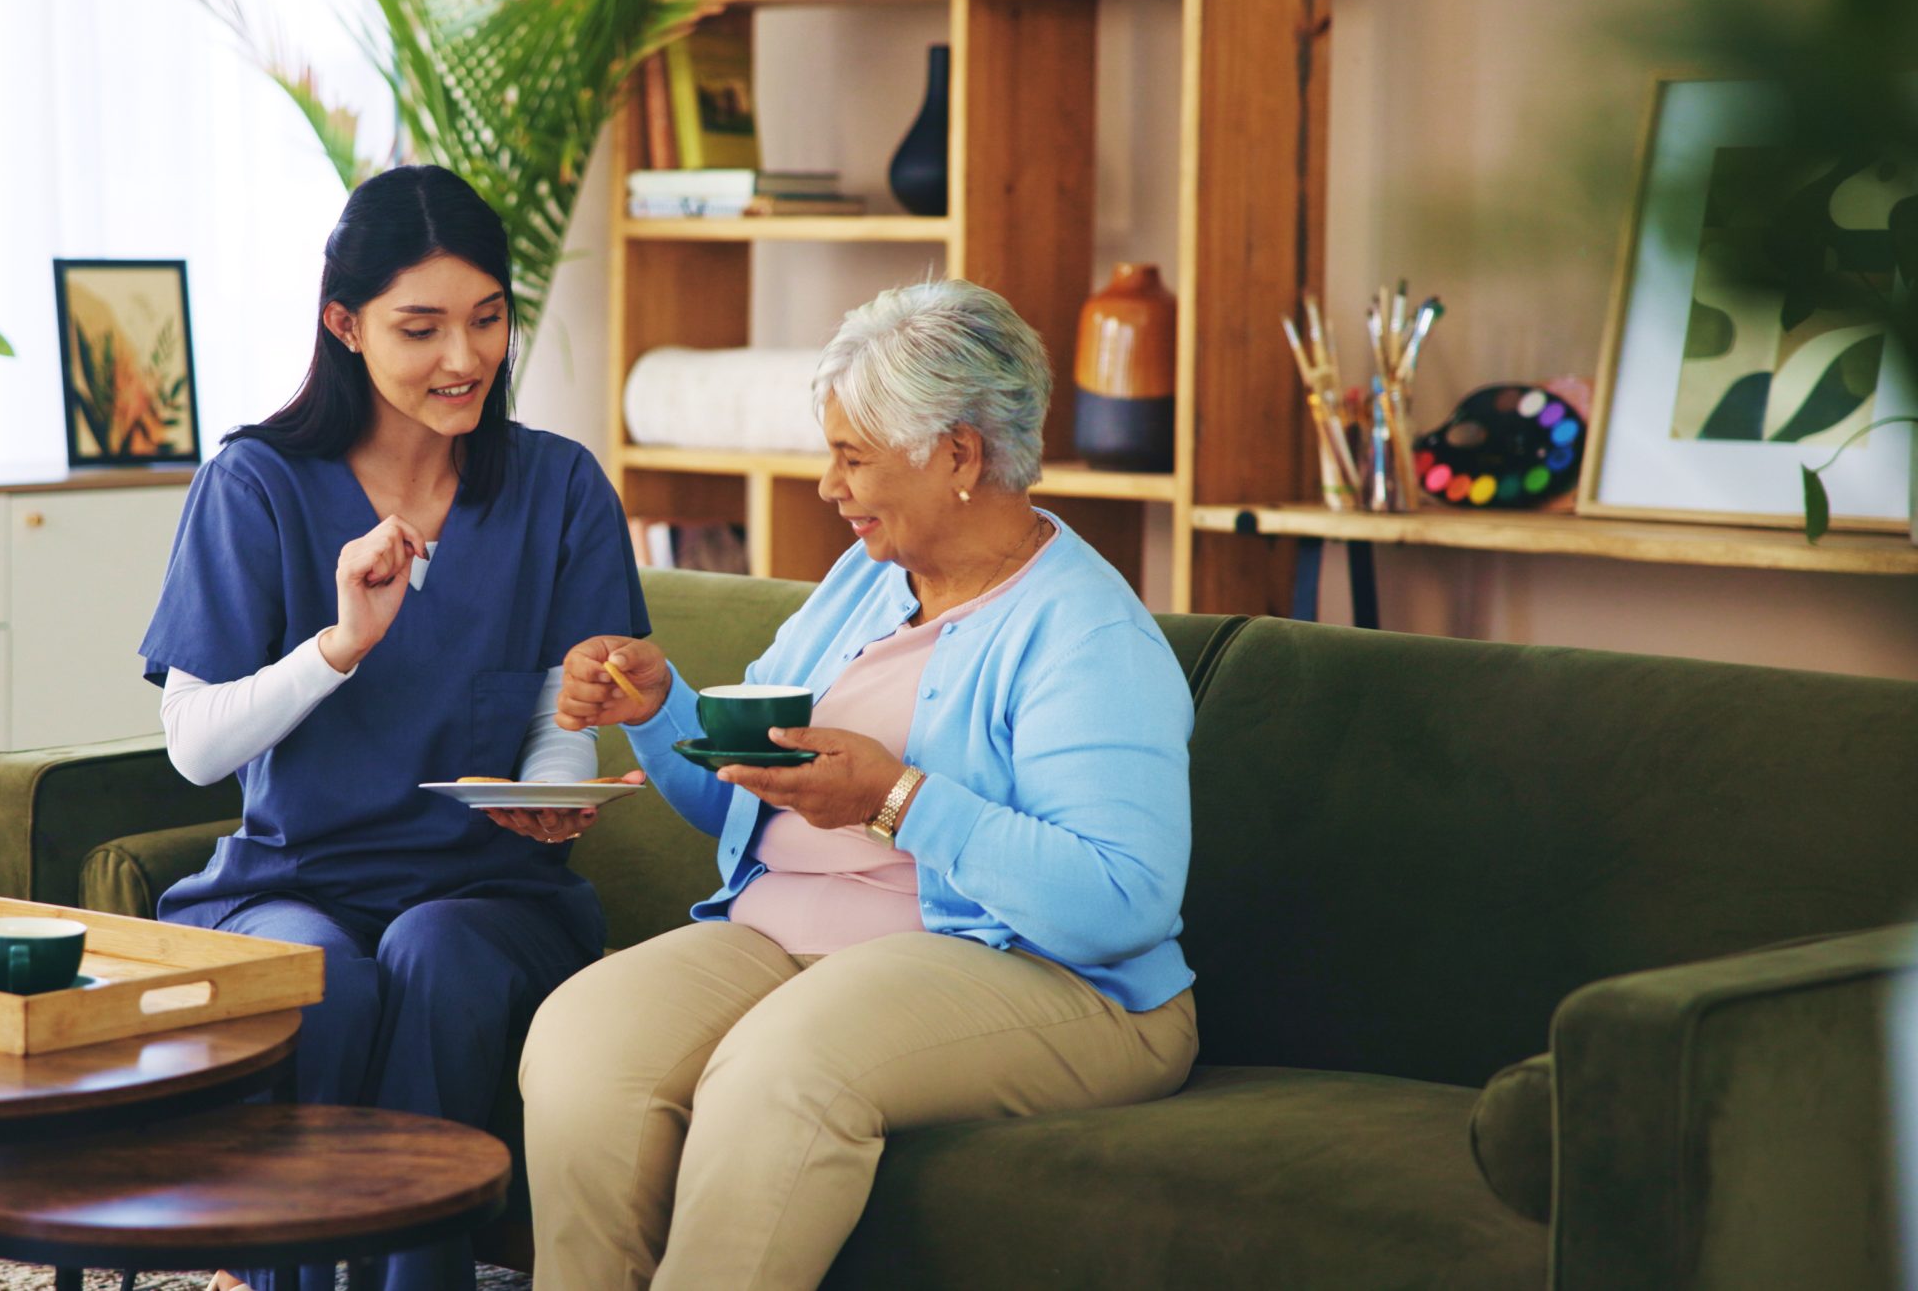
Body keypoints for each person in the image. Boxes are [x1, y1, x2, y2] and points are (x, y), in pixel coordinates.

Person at [522, 279, 1199, 1291]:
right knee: (584, 1039)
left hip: (1049, 978)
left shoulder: (1084, 634)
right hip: (788, 941)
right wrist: (662, 712)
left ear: (959, 455)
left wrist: (896, 799)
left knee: (781, 1071)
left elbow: (1120, 901)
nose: (829, 488)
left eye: (852, 459)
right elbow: (745, 793)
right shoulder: (868, 579)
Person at [137, 164, 648, 1291]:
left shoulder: (557, 487)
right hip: (291, 878)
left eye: (486, 320)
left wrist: (556, 791)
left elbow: (558, 704)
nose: (463, 359)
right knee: (313, 973)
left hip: (489, 894)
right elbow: (196, 744)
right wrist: (339, 646)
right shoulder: (255, 485)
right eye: (420, 328)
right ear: (344, 326)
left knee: (434, 950)